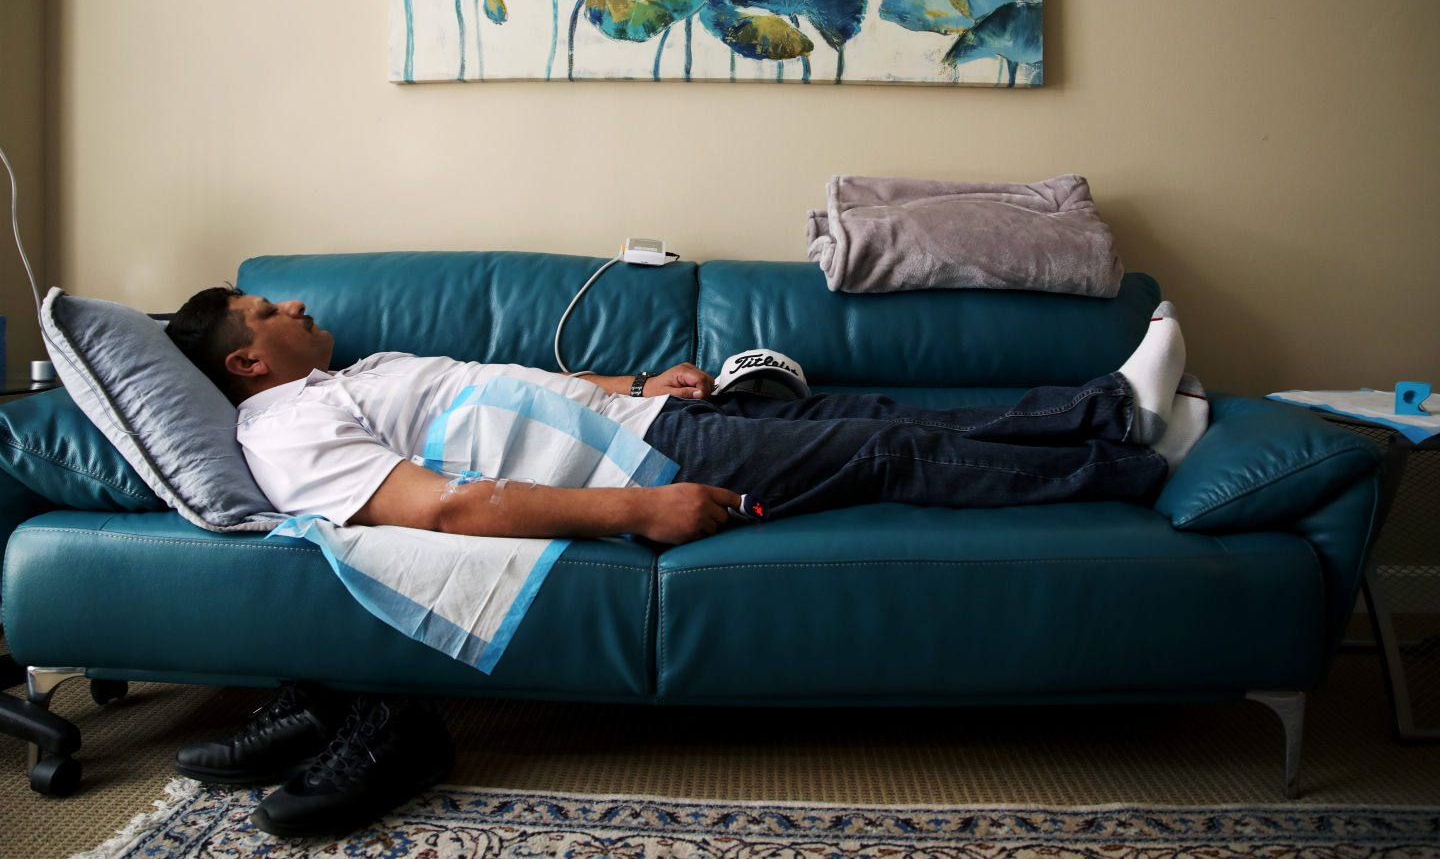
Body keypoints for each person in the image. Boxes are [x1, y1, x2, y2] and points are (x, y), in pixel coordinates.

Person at [164, 285, 1210, 836]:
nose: (292, 305)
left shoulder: (367, 368)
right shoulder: (284, 428)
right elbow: (439, 506)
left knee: (872, 412)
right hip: (640, 464)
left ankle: (1114, 422)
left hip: (640, 421)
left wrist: (639, 379)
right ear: (246, 361)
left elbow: (516, 385)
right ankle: (1129, 451)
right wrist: (640, 506)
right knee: (888, 449)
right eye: (268, 312)